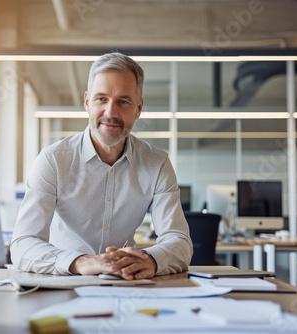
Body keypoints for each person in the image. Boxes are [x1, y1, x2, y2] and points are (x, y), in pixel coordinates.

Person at [10, 52, 192, 280]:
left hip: (125, 282)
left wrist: (151, 261)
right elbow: (22, 244)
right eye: (101, 99)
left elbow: (179, 241)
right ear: (87, 101)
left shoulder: (156, 164)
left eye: (123, 102)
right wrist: (81, 262)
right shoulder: (54, 160)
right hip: (65, 281)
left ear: (138, 109)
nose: (110, 113)